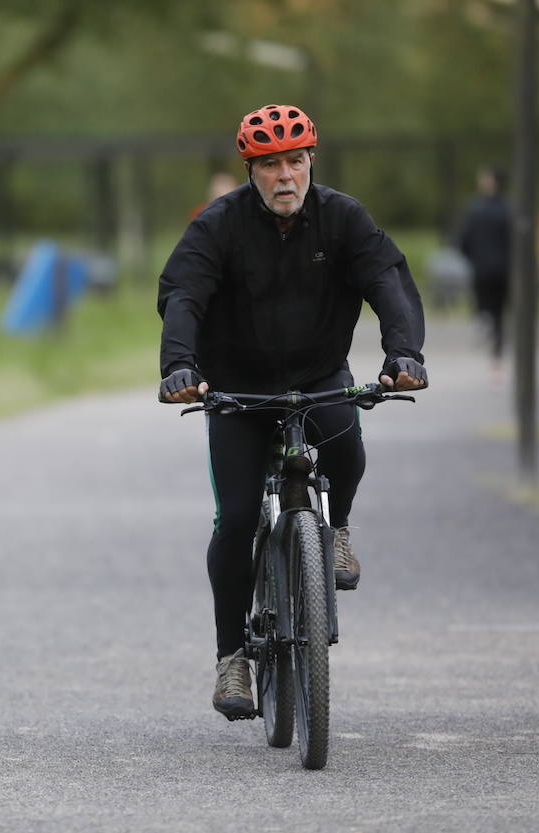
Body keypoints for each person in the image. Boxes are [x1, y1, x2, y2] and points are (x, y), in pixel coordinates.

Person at [157, 104, 428, 721]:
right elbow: (184, 295)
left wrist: (404, 352)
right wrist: (180, 365)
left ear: (312, 162)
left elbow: (387, 281)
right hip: (237, 390)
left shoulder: (343, 219)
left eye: (296, 162)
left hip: (318, 377)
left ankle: (336, 531)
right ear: (250, 170)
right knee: (236, 519)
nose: (286, 177)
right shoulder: (218, 226)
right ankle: (233, 658)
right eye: (271, 165)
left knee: (347, 445)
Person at [458, 165, 511, 371]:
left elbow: (465, 240)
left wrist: (471, 257)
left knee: (484, 302)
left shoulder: (475, 208)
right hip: (502, 267)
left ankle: (484, 322)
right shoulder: (508, 208)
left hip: (481, 266)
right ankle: (497, 344)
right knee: (499, 308)